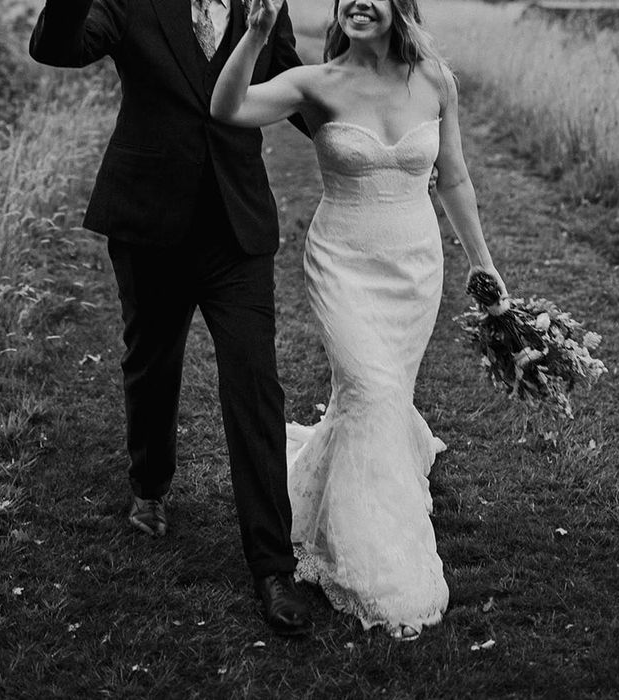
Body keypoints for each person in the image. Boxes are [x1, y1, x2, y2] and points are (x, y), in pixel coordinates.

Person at [211, 0, 509, 639]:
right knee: (372, 392)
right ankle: (381, 564)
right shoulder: (313, 86)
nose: (358, 3)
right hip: (342, 263)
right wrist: (256, 36)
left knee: (383, 396)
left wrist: (481, 265)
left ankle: (343, 497)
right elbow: (227, 109)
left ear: (402, 6)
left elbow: (453, 178)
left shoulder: (434, 80)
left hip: (415, 269)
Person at [28, 0, 312, 636]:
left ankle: (272, 566)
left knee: (255, 382)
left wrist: (375, 139)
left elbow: (295, 86)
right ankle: (150, 484)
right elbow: (57, 47)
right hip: (149, 219)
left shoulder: (268, 1)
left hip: (236, 226)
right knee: (152, 363)